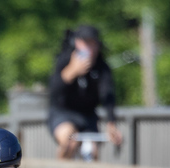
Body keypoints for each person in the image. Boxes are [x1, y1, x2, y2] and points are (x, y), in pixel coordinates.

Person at [48, 25, 123, 159]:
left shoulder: (102, 67)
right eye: (85, 43)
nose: (89, 48)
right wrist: (72, 71)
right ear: (77, 43)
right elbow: (53, 91)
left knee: (91, 151)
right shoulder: (65, 59)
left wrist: (111, 123)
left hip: (87, 117)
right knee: (69, 141)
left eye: (92, 44)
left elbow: (108, 96)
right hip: (63, 113)